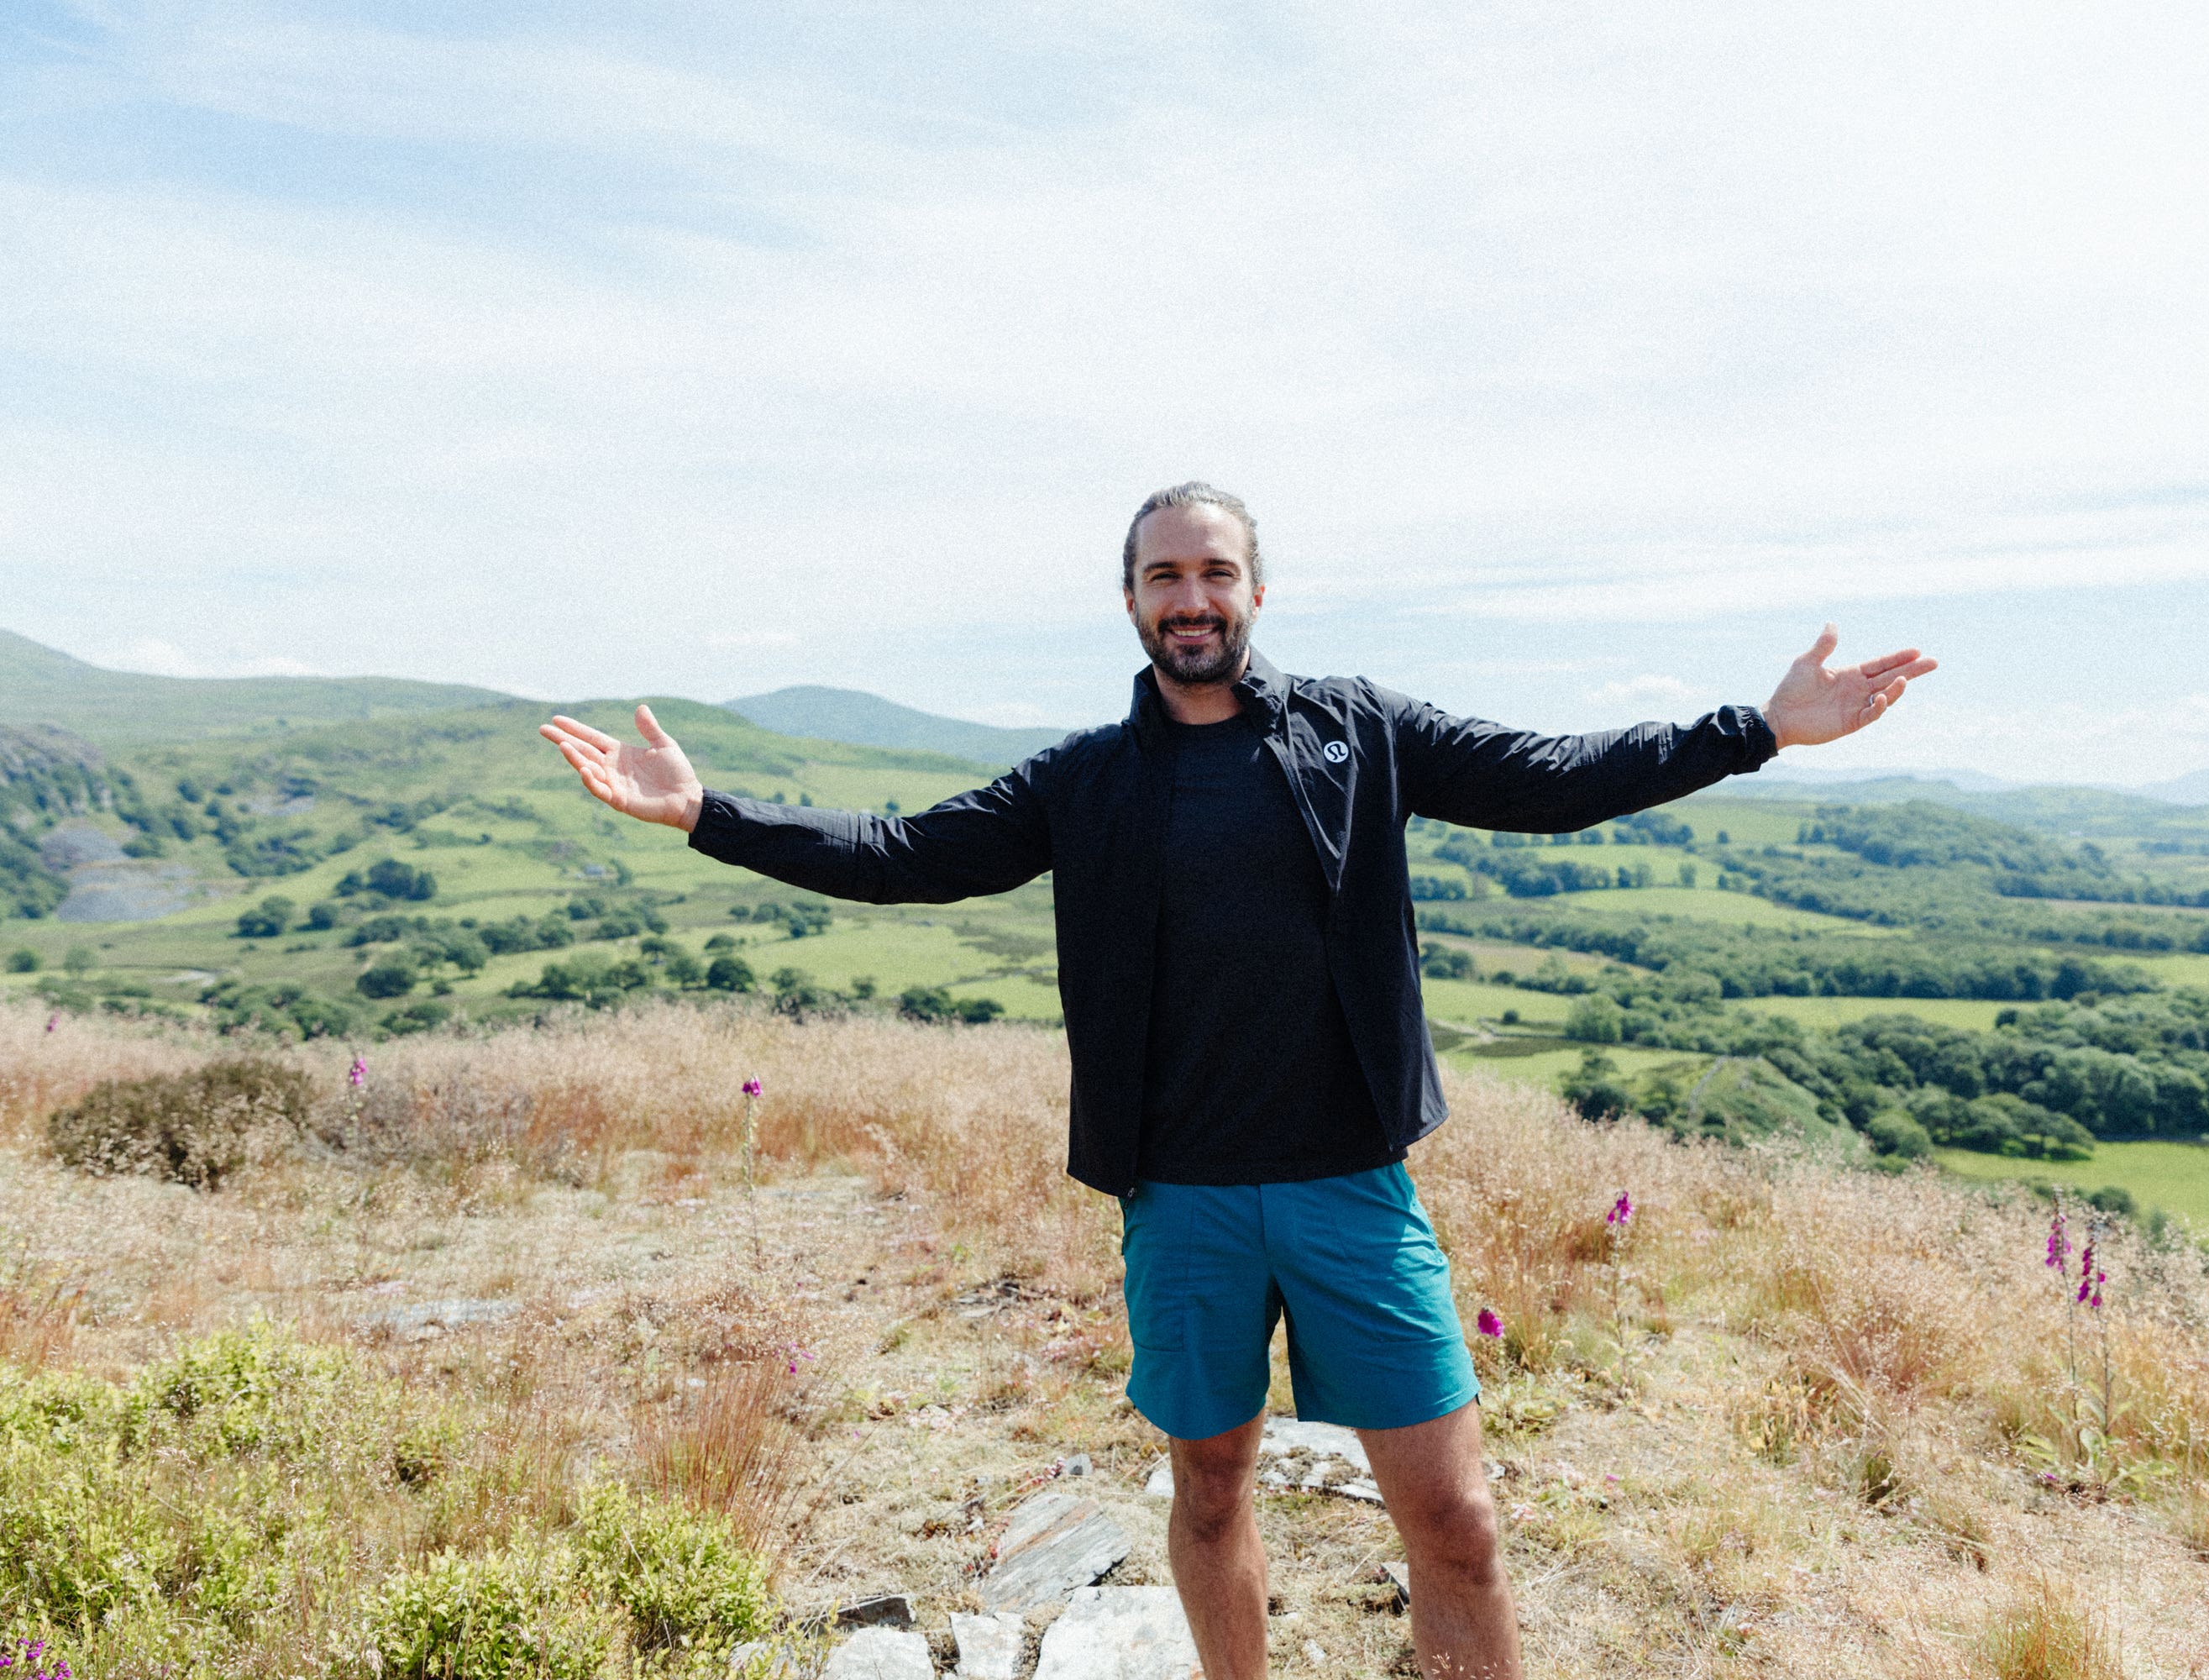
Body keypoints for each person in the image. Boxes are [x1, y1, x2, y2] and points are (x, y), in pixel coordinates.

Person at [539, 482, 1935, 1680]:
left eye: (1214, 570)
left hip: (1351, 1186)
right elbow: (904, 851)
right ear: (1132, 602)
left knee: (1455, 1522)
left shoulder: (1358, 729)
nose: (1190, 595)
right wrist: (709, 817)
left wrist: (1755, 729)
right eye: (1164, 575)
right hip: (1184, 1200)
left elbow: (1553, 776)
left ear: (1256, 587)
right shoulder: (1080, 782)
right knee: (1208, 1488)